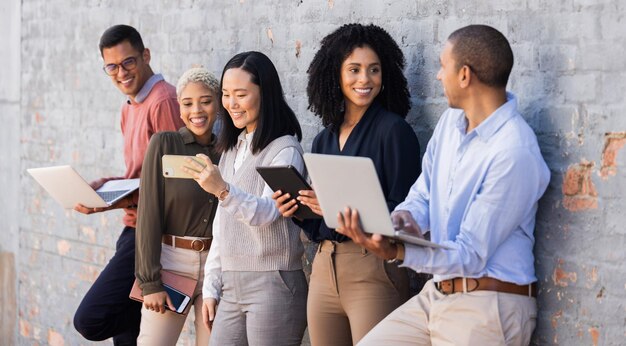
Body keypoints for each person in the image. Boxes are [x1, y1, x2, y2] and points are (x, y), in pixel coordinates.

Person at [335, 25, 550, 346]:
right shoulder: (451, 123)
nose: (438, 76)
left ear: (464, 75)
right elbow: (423, 194)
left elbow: (471, 254)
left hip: (488, 306)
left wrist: (397, 249)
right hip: (436, 293)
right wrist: (399, 222)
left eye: (443, 66)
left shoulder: (514, 151)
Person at [273, 23, 421, 345]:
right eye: (354, 69)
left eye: (373, 70)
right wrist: (300, 211)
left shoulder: (395, 132)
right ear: (335, 76)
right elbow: (322, 225)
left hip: (373, 267)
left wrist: (339, 210)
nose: (364, 79)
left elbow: (406, 214)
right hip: (325, 268)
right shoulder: (325, 138)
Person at [73, 24, 184, 345]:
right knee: (126, 340)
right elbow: (141, 173)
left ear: (145, 55)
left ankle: (147, 304)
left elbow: (178, 179)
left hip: (153, 234)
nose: (121, 73)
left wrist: (114, 200)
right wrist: (104, 185)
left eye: (128, 62)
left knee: (92, 319)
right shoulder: (130, 106)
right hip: (132, 228)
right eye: (112, 67)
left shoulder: (164, 101)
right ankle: (140, 306)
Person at [187, 51, 308, 345]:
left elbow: (268, 213)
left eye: (240, 94)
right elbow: (221, 225)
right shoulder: (232, 148)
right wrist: (212, 287)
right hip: (231, 283)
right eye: (226, 94)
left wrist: (223, 190)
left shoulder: (285, 149)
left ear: (264, 94)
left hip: (273, 282)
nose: (231, 104)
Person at [134, 67, 220, 345]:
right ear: (179, 109)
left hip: (217, 270)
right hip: (172, 265)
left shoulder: (228, 151)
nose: (197, 110)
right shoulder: (164, 143)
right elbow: (148, 215)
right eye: (188, 103)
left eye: (206, 100)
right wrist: (150, 282)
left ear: (218, 103)